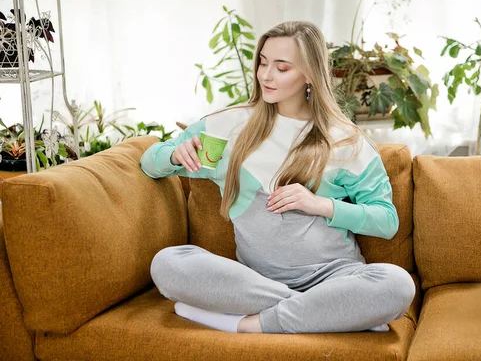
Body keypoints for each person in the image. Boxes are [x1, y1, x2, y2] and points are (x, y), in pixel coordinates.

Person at [140, 21, 415, 334]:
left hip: (336, 278)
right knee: (168, 263)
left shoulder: (346, 141)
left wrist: (320, 205)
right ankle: (320, 311)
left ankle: (250, 324)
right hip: (255, 281)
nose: (266, 75)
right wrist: (175, 155)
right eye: (262, 62)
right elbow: (150, 163)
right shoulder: (227, 128)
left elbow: (386, 222)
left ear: (310, 74)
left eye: (281, 68)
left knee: (396, 285)